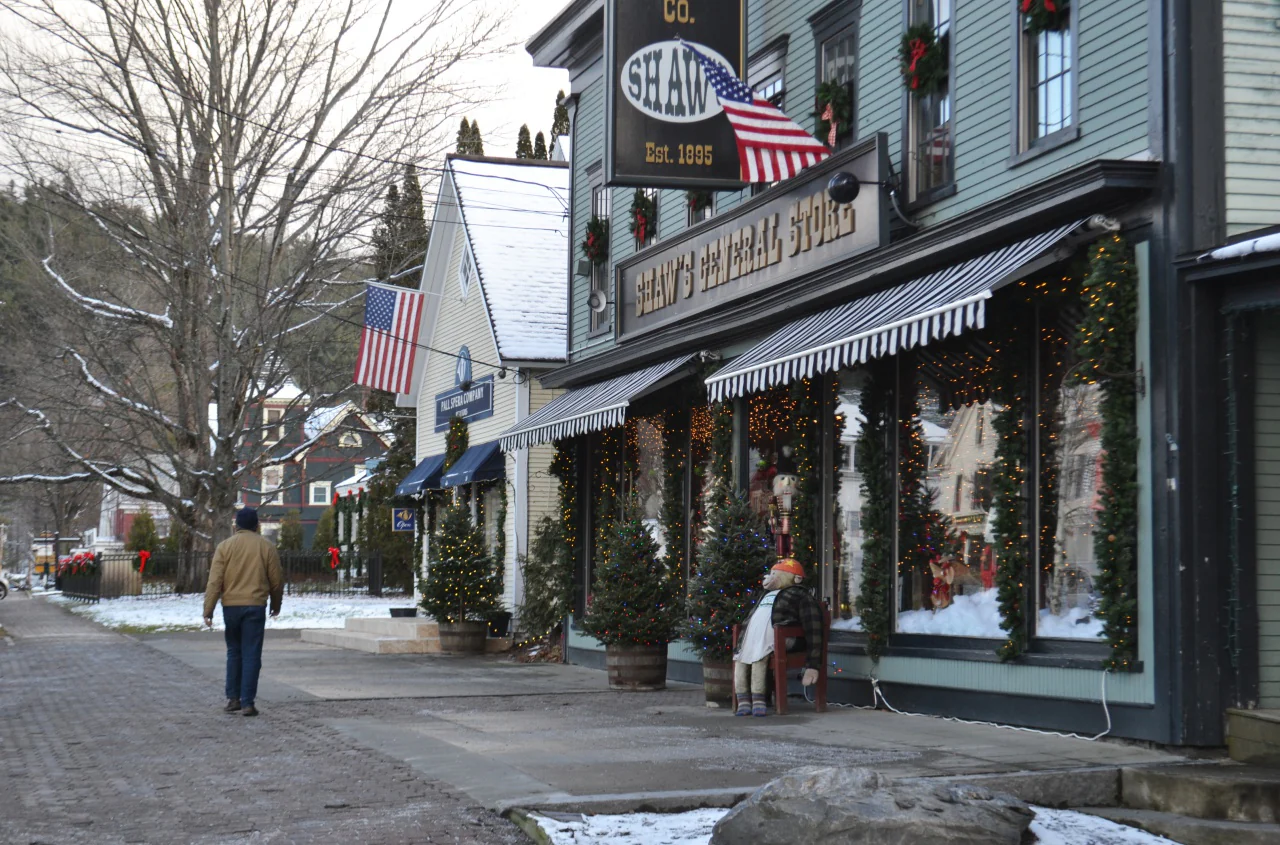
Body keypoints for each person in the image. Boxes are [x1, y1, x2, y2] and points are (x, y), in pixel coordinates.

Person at [203, 507, 284, 717]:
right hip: (256, 605)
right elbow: (276, 581)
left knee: (234, 652)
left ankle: (233, 699)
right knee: (252, 653)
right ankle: (248, 702)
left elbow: (215, 581)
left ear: (236, 525)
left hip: (230, 606)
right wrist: (276, 604)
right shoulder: (266, 547)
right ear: (257, 525)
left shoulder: (224, 547)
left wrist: (208, 609)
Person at [732, 558, 825, 717]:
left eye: (777, 574)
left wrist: (813, 664)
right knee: (740, 660)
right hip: (753, 640)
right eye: (771, 573)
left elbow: (813, 627)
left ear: (795, 578)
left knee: (759, 660)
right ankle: (743, 700)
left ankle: (759, 699)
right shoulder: (765, 595)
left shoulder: (799, 595)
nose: (770, 577)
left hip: (781, 640)